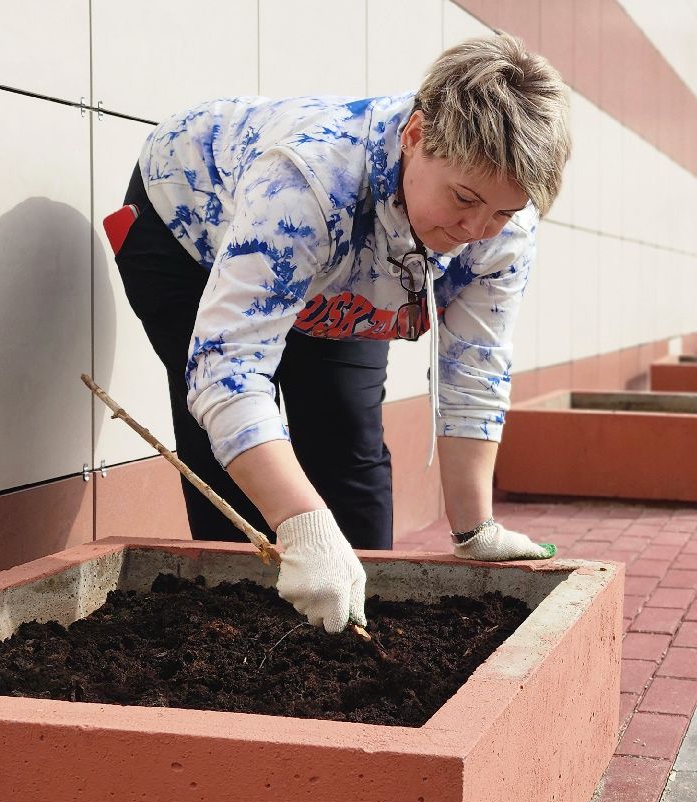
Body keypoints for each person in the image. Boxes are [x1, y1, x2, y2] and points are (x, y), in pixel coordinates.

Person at [106, 33, 566, 634]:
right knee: (237, 472)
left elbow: (474, 367)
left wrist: (474, 528)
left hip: (352, 261)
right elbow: (228, 370)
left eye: (502, 211)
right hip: (189, 232)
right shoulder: (306, 182)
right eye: (464, 198)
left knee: (348, 438)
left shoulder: (504, 227)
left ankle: (360, 623)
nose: (476, 229)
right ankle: (240, 635)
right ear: (416, 136)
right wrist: (301, 525)